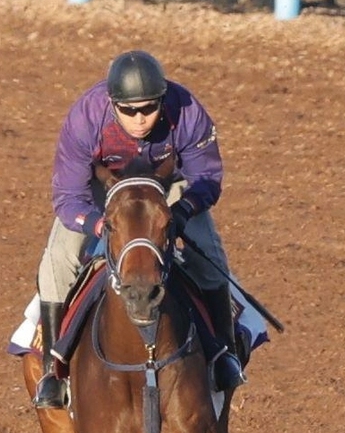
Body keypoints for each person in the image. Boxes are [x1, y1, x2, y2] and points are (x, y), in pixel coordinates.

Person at [33, 50, 247, 409]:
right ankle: (53, 372)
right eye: (128, 111)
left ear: (162, 101)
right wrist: (99, 224)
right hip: (103, 194)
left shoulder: (188, 112)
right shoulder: (85, 119)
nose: (139, 119)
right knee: (58, 259)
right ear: (112, 103)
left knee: (207, 253)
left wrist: (182, 213)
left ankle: (223, 354)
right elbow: (69, 196)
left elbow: (206, 178)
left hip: (168, 192)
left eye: (148, 109)